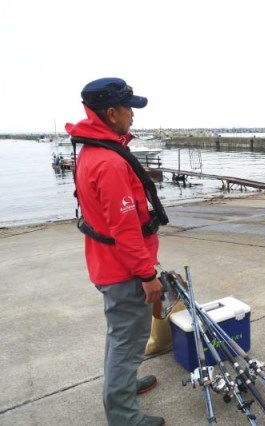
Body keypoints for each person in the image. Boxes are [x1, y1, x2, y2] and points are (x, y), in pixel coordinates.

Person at [65, 78, 166, 425]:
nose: (133, 115)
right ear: (111, 113)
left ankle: (121, 387)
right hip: (124, 270)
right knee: (128, 340)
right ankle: (124, 416)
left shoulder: (92, 151)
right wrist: (148, 275)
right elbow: (124, 229)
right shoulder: (108, 162)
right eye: (129, 108)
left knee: (120, 335)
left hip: (106, 264)